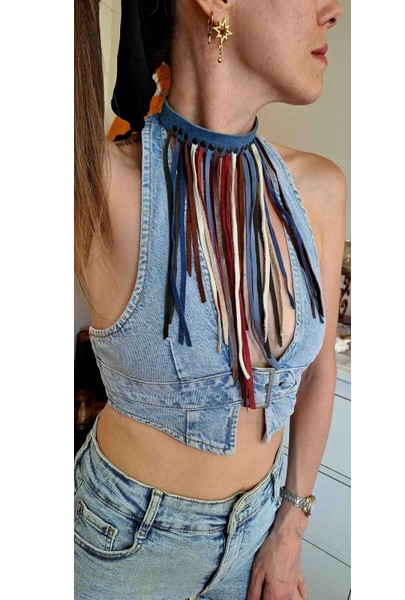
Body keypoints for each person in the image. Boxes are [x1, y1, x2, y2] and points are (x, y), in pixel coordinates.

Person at [74, 1, 345, 599]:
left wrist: (291, 527)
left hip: (261, 532)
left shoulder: (320, 189)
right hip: (122, 548)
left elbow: (318, 370)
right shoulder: (99, 184)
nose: (333, 11)